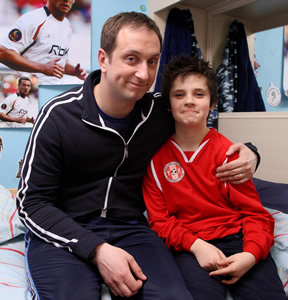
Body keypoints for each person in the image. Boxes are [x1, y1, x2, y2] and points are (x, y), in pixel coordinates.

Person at [17, 12, 259, 300]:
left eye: (152, 61)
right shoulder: (59, 116)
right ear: (103, 59)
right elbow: (31, 203)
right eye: (131, 58)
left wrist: (252, 153)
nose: (144, 74)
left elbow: (203, 134)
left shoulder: (160, 113)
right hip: (65, 231)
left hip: (130, 228)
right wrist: (96, 250)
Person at [142, 55, 286, 300]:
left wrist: (250, 255)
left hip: (237, 240)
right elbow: (160, 222)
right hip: (190, 246)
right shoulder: (155, 162)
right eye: (179, 95)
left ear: (212, 103)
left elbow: (255, 214)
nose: (189, 101)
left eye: (199, 94)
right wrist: (197, 247)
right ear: (168, 104)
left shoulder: (229, 154)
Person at [0, 0, 87, 85]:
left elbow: (54, 62)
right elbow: (3, 53)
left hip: (53, 93)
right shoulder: (33, 20)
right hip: (31, 91)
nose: (66, 0)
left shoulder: (67, 26)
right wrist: (42, 67)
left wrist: (73, 71)